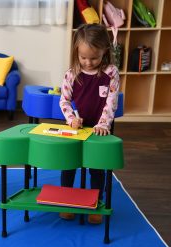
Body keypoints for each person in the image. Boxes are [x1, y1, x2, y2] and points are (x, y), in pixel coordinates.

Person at [59, 23, 120, 224]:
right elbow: (64, 101)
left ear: (105, 51)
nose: (87, 62)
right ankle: (66, 202)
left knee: (96, 168)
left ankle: (95, 204)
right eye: (83, 57)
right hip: (76, 128)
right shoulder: (71, 74)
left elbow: (111, 102)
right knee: (68, 165)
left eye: (94, 58)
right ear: (76, 52)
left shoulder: (111, 72)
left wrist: (103, 124)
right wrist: (71, 119)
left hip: (98, 130)